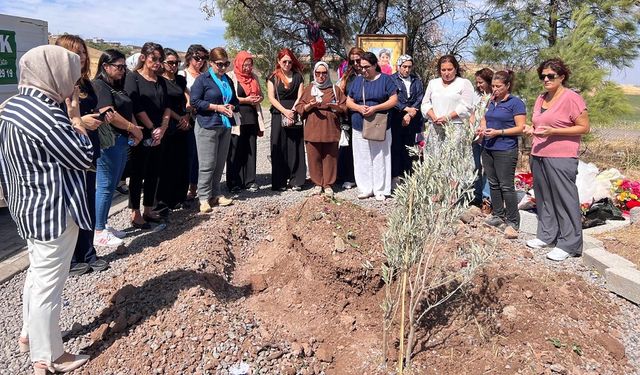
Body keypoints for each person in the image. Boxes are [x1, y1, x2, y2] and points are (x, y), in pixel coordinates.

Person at [0, 45, 92, 374]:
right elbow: (82, 157)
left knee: (37, 276)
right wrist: (76, 120)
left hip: (27, 207)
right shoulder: (46, 114)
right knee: (48, 287)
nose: (74, 82)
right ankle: (48, 356)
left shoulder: (14, 105)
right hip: (53, 210)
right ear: (53, 73)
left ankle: (28, 335)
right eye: (70, 74)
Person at [55, 35, 111, 276]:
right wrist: (79, 121)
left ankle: (88, 252)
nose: (81, 57)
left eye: (83, 52)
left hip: (89, 151)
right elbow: (52, 124)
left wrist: (97, 116)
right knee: (71, 208)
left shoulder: (85, 84)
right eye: (74, 53)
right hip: (68, 156)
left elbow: (89, 110)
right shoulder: (56, 86)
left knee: (87, 203)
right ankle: (71, 258)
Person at [524, 58, 590, 261]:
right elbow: (540, 125)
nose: (545, 79)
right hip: (538, 154)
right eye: (542, 76)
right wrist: (532, 130)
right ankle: (546, 235)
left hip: (561, 156)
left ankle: (569, 244)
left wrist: (554, 131)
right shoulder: (540, 98)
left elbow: (584, 127)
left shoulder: (572, 98)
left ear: (562, 77)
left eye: (550, 76)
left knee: (564, 199)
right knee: (544, 197)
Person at [93, 50, 144, 242]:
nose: (123, 70)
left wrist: (132, 130)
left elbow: (126, 108)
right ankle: (98, 231)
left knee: (113, 184)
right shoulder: (100, 85)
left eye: (124, 66)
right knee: (105, 186)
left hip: (122, 140)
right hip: (109, 142)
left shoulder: (117, 86)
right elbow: (109, 114)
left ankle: (103, 224)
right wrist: (133, 127)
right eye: (119, 66)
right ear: (105, 66)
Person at [125, 42, 171, 228]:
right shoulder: (133, 78)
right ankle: (135, 212)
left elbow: (167, 106)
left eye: (160, 59)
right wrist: (152, 128)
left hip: (159, 132)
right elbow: (135, 106)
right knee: (138, 173)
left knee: (154, 172)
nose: (157, 62)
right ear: (144, 57)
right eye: (154, 58)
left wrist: (164, 127)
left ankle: (148, 208)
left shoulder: (161, 81)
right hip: (142, 133)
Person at [476, 70, 526, 238]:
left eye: (499, 86)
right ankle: (498, 214)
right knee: (493, 183)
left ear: (508, 86)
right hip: (488, 146)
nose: (495, 89)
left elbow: (520, 128)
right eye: (493, 86)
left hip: (505, 148)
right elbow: (485, 118)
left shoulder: (515, 103)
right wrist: (482, 128)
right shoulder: (491, 101)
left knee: (506, 185)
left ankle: (513, 221)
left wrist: (500, 132)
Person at [190, 47, 238, 213]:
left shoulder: (227, 80)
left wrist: (232, 105)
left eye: (226, 64)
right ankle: (203, 197)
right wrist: (216, 107)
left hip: (224, 125)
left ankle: (215, 194)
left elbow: (235, 100)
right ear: (211, 63)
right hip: (207, 125)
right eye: (219, 64)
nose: (223, 68)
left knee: (219, 163)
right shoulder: (203, 80)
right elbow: (195, 102)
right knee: (207, 164)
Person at [346, 52, 398, 201]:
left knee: (380, 156)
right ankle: (365, 188)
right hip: (359, 124)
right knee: (362, 157)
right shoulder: (358, 81)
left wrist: (376, 108)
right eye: (361, 67)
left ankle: (380, 189)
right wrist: (358, 108)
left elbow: (394, 100)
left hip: (379, 124)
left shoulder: (386, 80)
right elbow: (348, 101)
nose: (363, 70)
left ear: (375, 65)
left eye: (366, 67)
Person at [295, 61, 347, 197]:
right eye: (318, 73)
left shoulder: (335, 89)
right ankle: (317, 183)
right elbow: (300, 107)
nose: (321, 76)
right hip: (313, 128)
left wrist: (337, 108)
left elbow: (345, 106)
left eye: (324, 73)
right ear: (314, 74)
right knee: (314, 156)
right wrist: (309, 106)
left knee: (330, 156)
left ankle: (328, 184)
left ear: (328, 73)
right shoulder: (309, 88)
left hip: (330, 128)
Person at [154, 48, 190, 213]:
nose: (174, 66)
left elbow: (188, 99)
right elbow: (165, 105)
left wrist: (187, 116)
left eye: (176, 62)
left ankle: (179, 197)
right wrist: (179, 118)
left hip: (184, 122)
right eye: (170, 62)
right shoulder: (160, 81)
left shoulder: (180, 80)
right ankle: (163, 200)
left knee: (182, 163)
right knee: (166, 164)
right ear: (163, 63)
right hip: (169, 124)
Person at [267, 48, 306, 191]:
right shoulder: (273, 77)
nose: (287, 64)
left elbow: (300, 96)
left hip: (294, 113)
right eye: (284, 61)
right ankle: (280, 181)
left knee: (295, 146)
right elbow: (271, 98)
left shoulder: (298, 76)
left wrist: (293, 112)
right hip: (278, 113)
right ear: (279, 61)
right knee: (279, 146)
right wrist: (284, 112)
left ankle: (296, 180)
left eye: (290, 61)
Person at [226, 51, 265, 193]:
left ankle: (250, 181)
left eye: (250, 65)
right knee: (235, 150)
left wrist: (259, 98)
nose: (248, 68)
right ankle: (234, 182)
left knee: (250, 150)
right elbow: (230, 97)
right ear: (238, 63)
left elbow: (261, 94)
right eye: (245, 65)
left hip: (251, 117)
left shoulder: (253, 77)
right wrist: (246, 100)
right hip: (237, 117)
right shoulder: (231, 76)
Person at [420, 55, 475, 148]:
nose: (446, 73)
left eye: (450, 69)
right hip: (435, 128)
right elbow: (425, 103)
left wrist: (448, 117)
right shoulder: (433, 83)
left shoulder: (464, 83)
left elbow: (466, 106)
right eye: (443, 70)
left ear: (456, 69)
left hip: (455, 128)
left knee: (451, 157)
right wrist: (433, 116)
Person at [179, 44, 209, 201]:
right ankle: (183, 189)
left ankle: (195, 187)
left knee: (200, 155)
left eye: (204, 58)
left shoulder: (206, 76)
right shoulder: (182, 75)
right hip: (188, 118)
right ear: (189, 57)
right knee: (188, 155)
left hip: (204, 118)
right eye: (197, 58)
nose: (201, 62)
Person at [389, 55, 424, 184]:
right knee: (396, 147)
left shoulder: (416, 80)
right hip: (397, 118)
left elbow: (420, 97)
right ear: (399, 67)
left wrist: (410, 112)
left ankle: (408, 175)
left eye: (409, 67)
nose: (407, 69)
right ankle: (395, 175)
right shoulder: (392, 79)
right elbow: (392, 97)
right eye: (404, 66)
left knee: (410, 147)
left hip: (413, 119)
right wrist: (405, 109)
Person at [336, 47, 365, 189]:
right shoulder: (348, 76)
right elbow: (340, 93)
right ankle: (350, 176)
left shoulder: (371, 73)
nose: (356, 64)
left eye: (358, 60)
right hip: (351, 115)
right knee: (350, 148)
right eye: (352, 61)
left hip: (368, 115)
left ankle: (366, 178)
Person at [469, 68, 494, 207]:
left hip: (488, 135)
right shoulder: (476, 95)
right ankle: (476, 195)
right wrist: (472, 129)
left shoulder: (494, 97)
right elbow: (472, 114)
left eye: (481, 82)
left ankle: (487, 197)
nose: (479, 85)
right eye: (477, 83)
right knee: (475, 166)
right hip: (475, 134)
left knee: (487, 167)